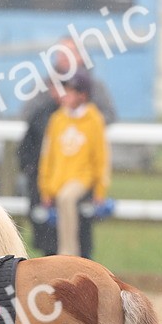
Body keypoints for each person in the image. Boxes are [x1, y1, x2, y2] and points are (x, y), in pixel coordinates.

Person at [18, 37, 116, 255]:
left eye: (70, 52)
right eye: (61, 53)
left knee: (81, 227)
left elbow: (106, 120)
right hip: (50, 170)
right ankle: (56, 267)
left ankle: (73, 260)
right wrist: (52, 103)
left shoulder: (93, 91)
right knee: (45, 233)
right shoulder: (46, 92)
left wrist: (81, 126)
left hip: (81, 170)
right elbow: (28, 116)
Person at [38, 72, 110, 257]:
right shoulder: (57, 119)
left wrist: (100, 189)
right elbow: (48, 155)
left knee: (66, 198)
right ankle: (67, 253)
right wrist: (45, 187)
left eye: (70, 92)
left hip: (82, 177)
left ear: (82, 96)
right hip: (59, 179)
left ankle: (68, 253)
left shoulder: (94, 120)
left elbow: (100, 157)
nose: (65, 96)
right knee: (63, 202)